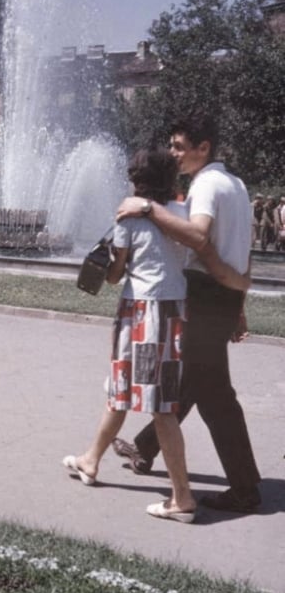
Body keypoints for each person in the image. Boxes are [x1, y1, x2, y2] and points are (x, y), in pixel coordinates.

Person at [114, 112, 260, 514]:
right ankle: (145, 448)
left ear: (203, 148)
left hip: (206, 292)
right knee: (196, 381)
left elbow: (196, 236)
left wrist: (146, 208)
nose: (173, 154)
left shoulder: (208, 184)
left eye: (180, 147)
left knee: (215, 396)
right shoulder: (237, 184)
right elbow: (240, 250)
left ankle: (246, 489)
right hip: (224, 294)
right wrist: (240, 307)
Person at [63, 149, 199, 522]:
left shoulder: (128, 217)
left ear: (138, 182)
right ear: (170, 180)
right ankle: (90, 460)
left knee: (160, 407)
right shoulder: (182, 214)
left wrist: (109, 256)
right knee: (120, 393)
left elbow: (113, 275)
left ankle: (182, 497)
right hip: (172, 311)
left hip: (141, 311)